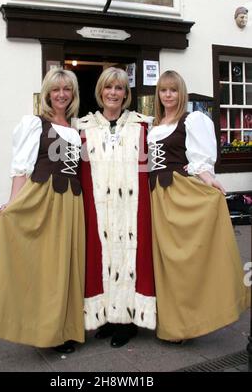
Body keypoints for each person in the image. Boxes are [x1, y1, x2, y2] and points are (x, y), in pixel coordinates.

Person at [0, 68, 85, 353]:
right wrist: (13, 203)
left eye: (67, 89)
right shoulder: (35, 124)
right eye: (56, 90)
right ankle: (48, 331)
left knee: (68, 266)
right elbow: (22, 168)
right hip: (45, 198)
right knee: (49, 267)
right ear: (47, 94)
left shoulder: (77, 130)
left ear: (73, 94)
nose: (61, 95)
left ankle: (68, 327)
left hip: (73, 202)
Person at [148, 70, 250, 342]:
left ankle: (189, 322)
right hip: (155, 197)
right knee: (164, 261)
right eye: (163, 90)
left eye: (173, 90)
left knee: (183, 259)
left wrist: (210, 181)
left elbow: (199, 161)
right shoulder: (154, 125)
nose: (168, 95)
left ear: (181, 93)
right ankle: (171, 322)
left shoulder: (191, 120)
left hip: (179, 194)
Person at [78, 67, 156, 348]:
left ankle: (128, 321)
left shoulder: (143, 126)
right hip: (99, 208)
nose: (113, 93)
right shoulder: (83, 128)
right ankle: (110, 316)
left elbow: (157, 164)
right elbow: (68, 169)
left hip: (134, 208)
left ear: (126, 94)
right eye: (109, 87)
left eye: (119, 88)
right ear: (100, 92)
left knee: (133, 259)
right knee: (102, 257)